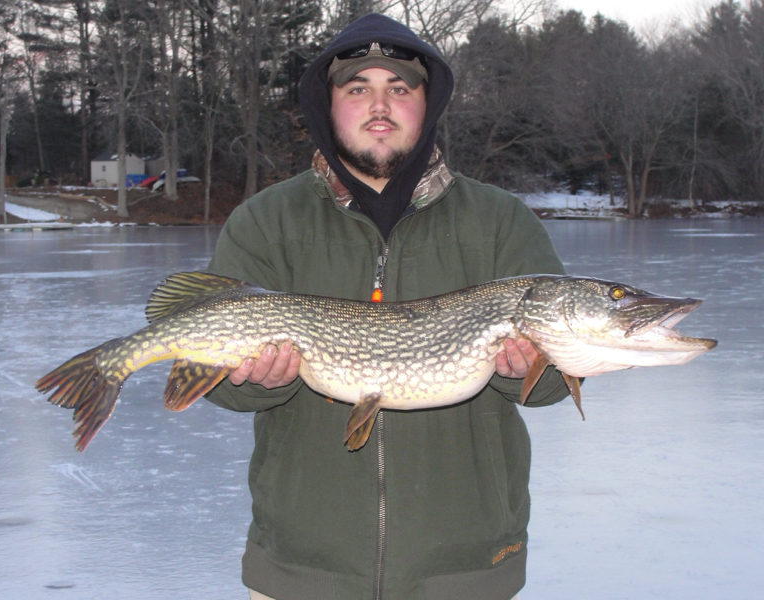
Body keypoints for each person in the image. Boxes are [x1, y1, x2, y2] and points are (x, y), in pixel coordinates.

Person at [206, 13, 571, 600]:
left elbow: (554, 385)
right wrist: (258, 381)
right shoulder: (266, 220)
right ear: (328, 106)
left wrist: (529, 369)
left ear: (428, 104)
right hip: (301, 573)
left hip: (466, 572)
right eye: (358, 89)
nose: (380, 105)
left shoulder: (501, 221)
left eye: (400, 88)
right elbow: (222, 386)